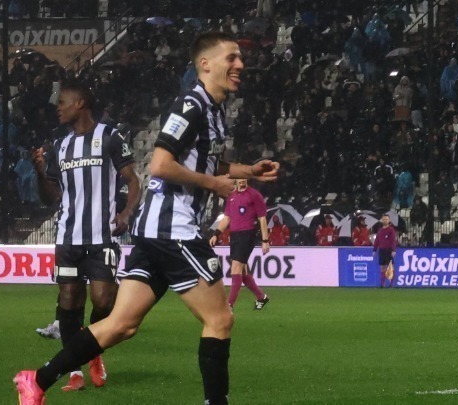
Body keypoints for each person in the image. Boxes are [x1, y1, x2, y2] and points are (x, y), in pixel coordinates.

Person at [14, 31, 279, 405]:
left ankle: (36, 381)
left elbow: (201, 160)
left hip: (155, 230)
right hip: (174, 229)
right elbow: (160, 165)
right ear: (205, 64)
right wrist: (215, 185)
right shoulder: (191, 106)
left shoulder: (212, 108)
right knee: (220, 320)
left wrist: (247, 171)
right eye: (231, 58)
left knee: (121, 325)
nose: (240, 65)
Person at [31, 79, 141, 392]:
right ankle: (75, 371)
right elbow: (51, 196)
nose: (58, 108)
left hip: (102, 235)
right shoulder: (60, 146)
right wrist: (40, 172)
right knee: (69, 300)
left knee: (104, 300)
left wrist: (126, 213)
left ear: (80, 103)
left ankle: (93, 348)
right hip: (68, 237)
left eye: (62, 102)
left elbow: (133, 180)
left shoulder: (109, 137)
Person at [209, 179, 270, 310]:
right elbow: (227, 218)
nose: (242, 180)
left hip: (247, 234)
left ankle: (229, 305)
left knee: (235, 268)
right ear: (236, 179)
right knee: (243, 272)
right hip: (235, 236)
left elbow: (262, 218)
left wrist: (265, 241)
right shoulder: (232, 196)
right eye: (239, 177)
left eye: (244, 177)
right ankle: (261, 297)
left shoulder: (254, 195)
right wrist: (216, 234)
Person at [373, 214, 396, 287]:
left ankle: (391, 284)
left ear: (389, 220)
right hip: (381, 250)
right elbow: (377, 240)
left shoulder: (391, 230)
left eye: (386, 219)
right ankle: (382, 284)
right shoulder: (380, 230)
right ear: (382, 220)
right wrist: (374, 250)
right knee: (382, 267)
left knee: (390, 267)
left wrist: (393, 250)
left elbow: (393, 240)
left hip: (389, 250)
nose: (385, 220)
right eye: (384, 219)